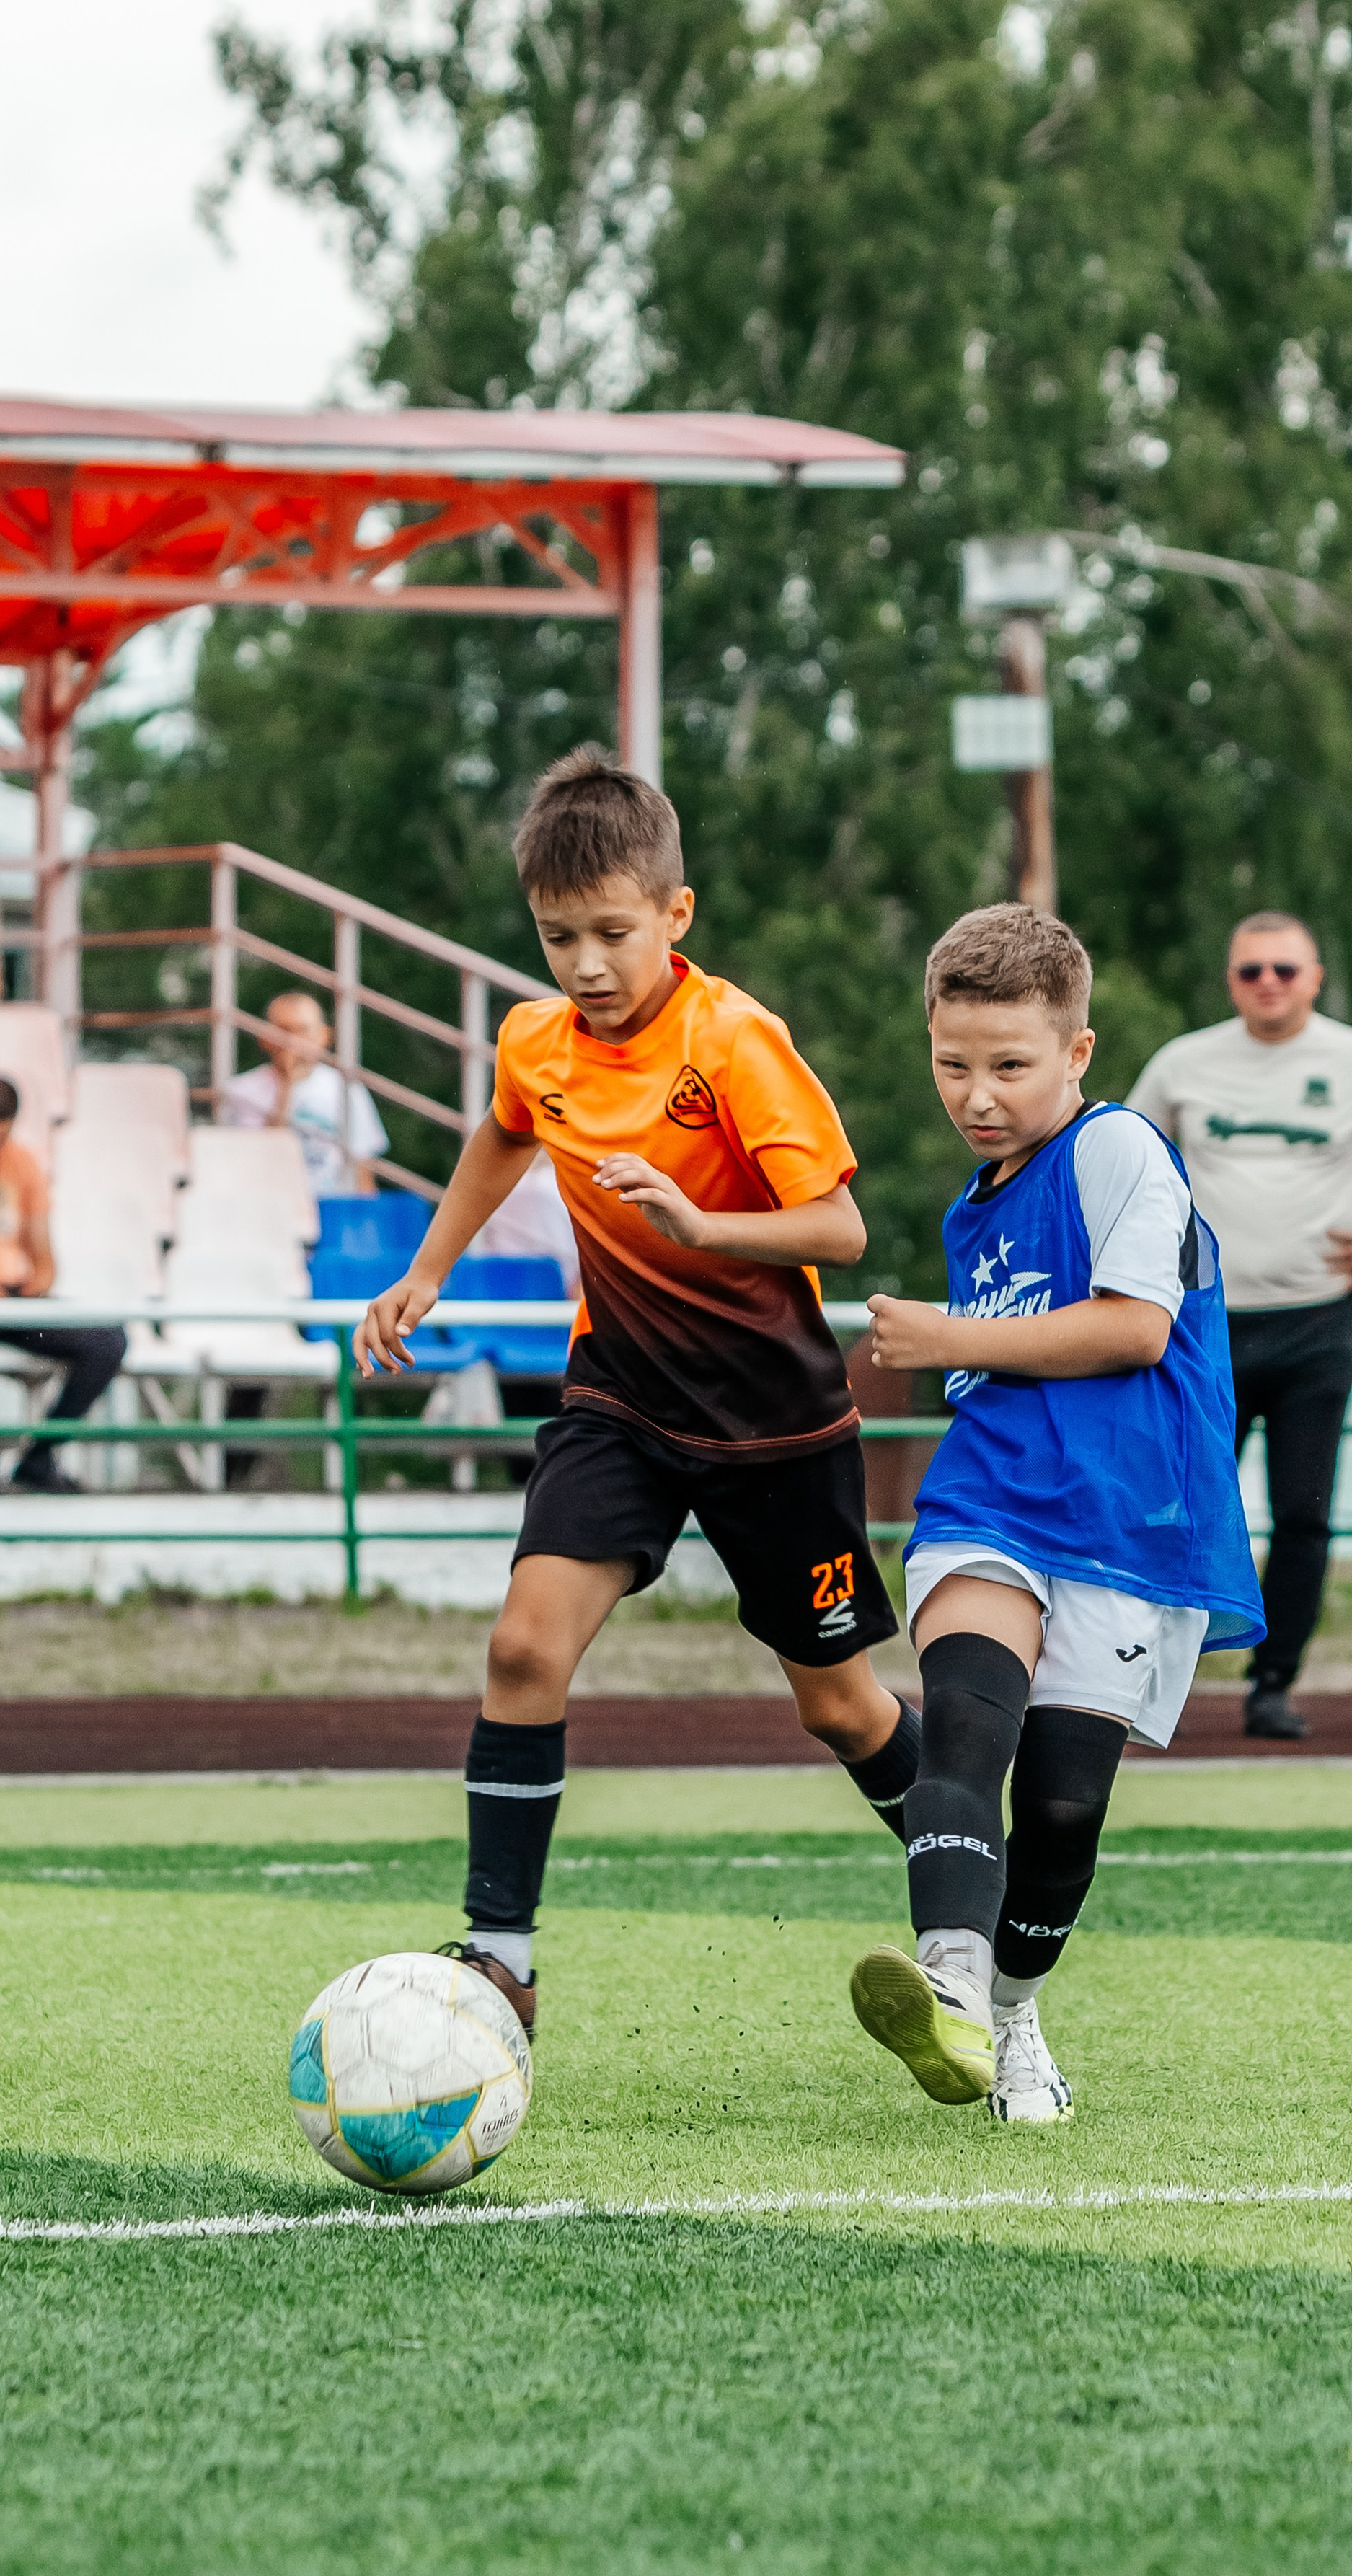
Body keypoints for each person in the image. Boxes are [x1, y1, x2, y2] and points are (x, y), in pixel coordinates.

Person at [353, 744, 914, 2039]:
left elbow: (837, 1227)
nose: (588, 965)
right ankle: (501, 1960)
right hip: (616, 1400)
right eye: (559, 938)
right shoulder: (537, 1039)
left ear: (677, 913)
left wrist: (705, 1229)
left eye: (613, 932)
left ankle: (965, 1869)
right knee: (522, 1646)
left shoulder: (734, 1040)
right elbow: (507, 1125)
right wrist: (427, 1272)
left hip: (772, 1423)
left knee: (837, 1703)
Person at [852, 904, 1263, 2123]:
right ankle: (954, 1988)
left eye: (1011, 1065)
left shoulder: (1122, 1148)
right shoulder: (976, 1199)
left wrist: (947, 1336)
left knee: (1068, 1806)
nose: (977, 1095)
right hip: (988, 1500)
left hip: (1128, 1519)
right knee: (969, 1723)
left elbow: (1136, 1326)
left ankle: (1016, 2011)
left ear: (1078, 1053)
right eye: (953, 1063)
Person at [1126, 911, 1352, 1739]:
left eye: (1284, 970)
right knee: (1186, 1503)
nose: (1267, 984)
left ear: (1315, 976)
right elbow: (1125, 1158)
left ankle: (1273, 1682)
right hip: (1207, 1326)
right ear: (1230, 980)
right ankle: (1144, 1673)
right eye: (1250, 971)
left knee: (1304, 1510)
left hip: (1318, 1324)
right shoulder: (1184, 1063)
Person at [0, 1076, 125, 1492]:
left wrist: (35, 1285)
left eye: (0, 1136)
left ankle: (40, 1458)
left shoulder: (22, 1164)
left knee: (106, 1341)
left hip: (12, 1300)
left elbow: (44, 1259)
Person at [220, 992, 387, 1196]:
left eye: (304, 1031)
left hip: (332, 1208)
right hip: (270, 1205)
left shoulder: (346, 1088)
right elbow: (256, 1165)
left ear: (324, 1036)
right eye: (284, 1030)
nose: (294, 1041)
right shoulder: (241, 1090)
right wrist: (287, 1089)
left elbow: (363, 1170)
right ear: (264, 1037)